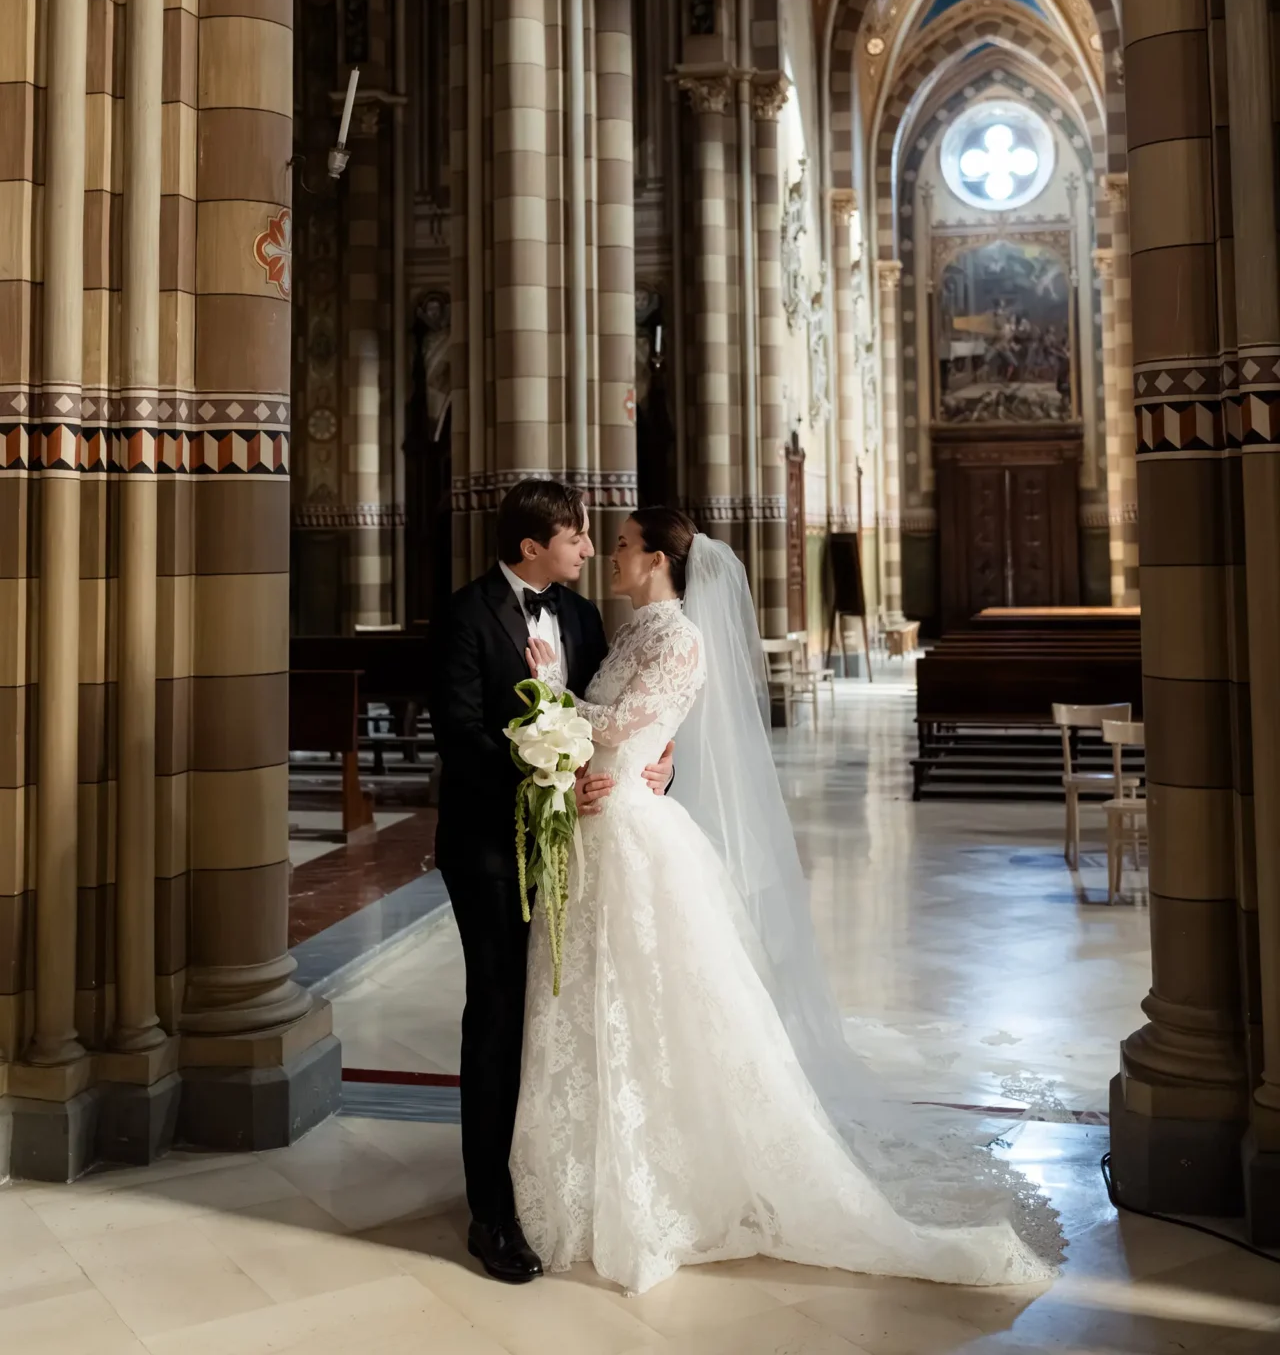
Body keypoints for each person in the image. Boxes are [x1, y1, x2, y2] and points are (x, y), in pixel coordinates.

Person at [511, 508, 1061, 1296]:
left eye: (625, 546)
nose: (610, 557)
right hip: (602, 827)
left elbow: (630, 723)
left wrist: (549, 693)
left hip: (633, 834)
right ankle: (591, 1169)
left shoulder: (680, 639)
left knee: (655, 1012)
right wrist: (598, 745)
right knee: (599, 1007)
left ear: (664, 560)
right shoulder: (629, 631)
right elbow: (630, 736)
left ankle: (670, 1182)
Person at [431, 479, 672, 1284]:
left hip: (574, 849)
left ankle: (547, 1184)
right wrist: (548, 779)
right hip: (489, 845)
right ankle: (491, 1215)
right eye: (575, 537)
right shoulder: (465, 615)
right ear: (533, 547)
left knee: (554, 1013)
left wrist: (646, 765)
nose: (589, 548)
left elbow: (609, 709)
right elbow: (462, 734)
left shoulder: (580, 616)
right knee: (497, 1012)